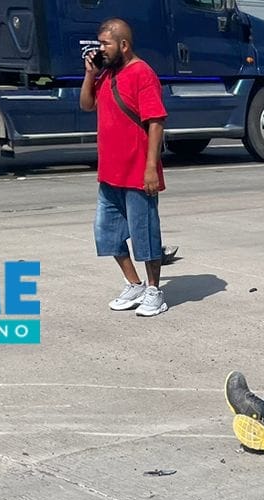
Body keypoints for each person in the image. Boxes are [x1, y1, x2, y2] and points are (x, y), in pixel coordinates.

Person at [80, 20, 177, 318]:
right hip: (110, 172)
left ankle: (153, 291)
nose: (100, 49)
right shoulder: (106, 73)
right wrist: (90, 74)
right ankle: (133, 284)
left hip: (138, 172)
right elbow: (86, 105)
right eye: (99, 44)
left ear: (123, 45)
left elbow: (156, 122)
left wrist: (151, 168)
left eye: (106, 44)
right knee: (106, 233)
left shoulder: (142, 73)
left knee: (145, 233)